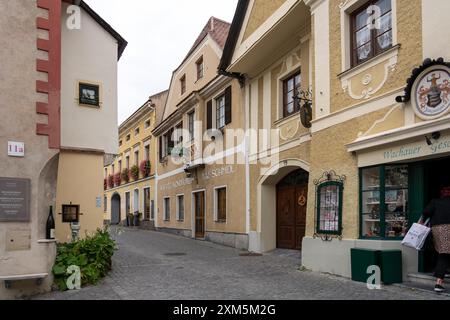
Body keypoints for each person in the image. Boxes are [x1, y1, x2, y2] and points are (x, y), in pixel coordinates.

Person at [423, 186, 450, 293]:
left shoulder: (435, 202)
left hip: (438, 229)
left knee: (443, 253)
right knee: (445, 254)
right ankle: (439, 281)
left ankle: (439, 282)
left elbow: (425, 212)